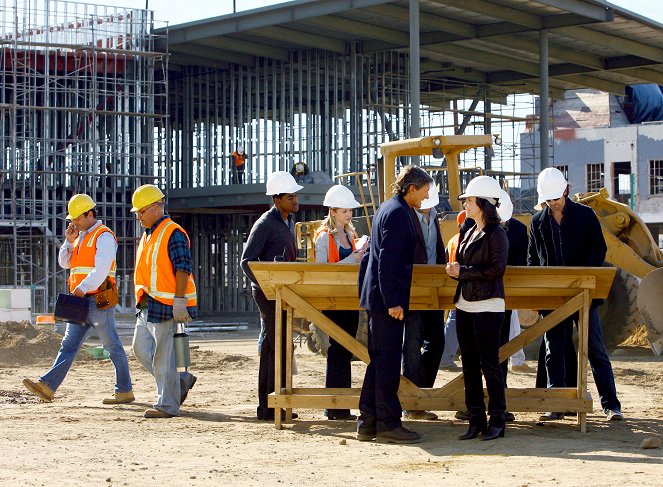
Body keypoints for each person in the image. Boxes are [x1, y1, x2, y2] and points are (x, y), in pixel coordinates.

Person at [527, 167, 623, 421]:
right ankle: (556, 404)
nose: (552, 204)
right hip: (553, 298)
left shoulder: (585, 215)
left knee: (595, 350)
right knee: (553, 351)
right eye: (548, 200)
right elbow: (533, 259)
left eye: (556, 199)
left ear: (566, 191)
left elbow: (599, 250)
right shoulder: (537, 222)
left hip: (584, 296)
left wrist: (582, 279)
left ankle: (611, 405)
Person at [22, 194, 133, 404]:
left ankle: (124, 390)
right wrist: (68, 241)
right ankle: (47, 386)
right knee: (68, 345)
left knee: (112, 346)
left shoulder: (104, 236)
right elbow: (64, 263)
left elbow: (101, 270)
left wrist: (81, 288)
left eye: (77, 218)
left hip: (98, 300)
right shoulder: (81, 236)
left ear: (90, 214)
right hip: (81, 302)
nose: (74, 223)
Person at [357, 165, 433, 444]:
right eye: (424, 191)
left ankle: (367, 421)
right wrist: (393, 302)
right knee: (387, 363)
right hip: (386, 300)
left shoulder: (389, 209)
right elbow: (388, 261)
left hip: (378, 298)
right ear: (411, 188)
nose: (426, 198)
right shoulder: (399, 214)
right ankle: (388, 424)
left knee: (378, 361)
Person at [445, 176, 510, 441]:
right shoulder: (469, 230)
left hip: (487, 306)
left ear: (482, 203)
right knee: (470, 366)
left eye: (469, 200)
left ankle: (497, 420)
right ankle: (475, 421)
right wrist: (456, 271)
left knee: (490, 366)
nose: (465, 203)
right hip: (466, 305)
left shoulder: (497, 234)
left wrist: (463, 271)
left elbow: (497, 270)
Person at [130, 184, 198, 419]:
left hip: (168, 305)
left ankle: (167, 404)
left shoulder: (173, 232)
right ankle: (178, 383)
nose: (138, 216)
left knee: (163, 358)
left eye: (141, 211)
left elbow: (183, 268)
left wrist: (179, 301)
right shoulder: (149, 234)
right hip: (148, 304)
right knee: (140, 350)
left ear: (156, 208)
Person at [241, 171, 303, 421]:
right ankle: (270, 405)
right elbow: (246, 261)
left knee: (273, 347)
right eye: (291, 197)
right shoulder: (266, 224)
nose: (296, 200)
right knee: (275, 346)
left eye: (296, 196)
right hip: (268, 295)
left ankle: (270, 405)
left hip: (281, 293)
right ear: (277, 200)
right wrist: (266, 286)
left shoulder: (286, 222)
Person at [314, 185, 367, 420]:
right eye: (344, 211)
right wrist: (353, 258)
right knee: (337, 351)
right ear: (332, 211)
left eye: (350, 211)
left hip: (350, 298)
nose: (349, 215)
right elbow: (322, 271)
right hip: (333, 300)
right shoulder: (324, 237)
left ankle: (341, 405)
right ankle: (334, 406)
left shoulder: (351, 234)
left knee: (346, 351)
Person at [402, 184, 446, 421]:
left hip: (433, 288)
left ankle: (422, 393)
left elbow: (437, 250)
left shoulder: (434, 218)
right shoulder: (407, 218)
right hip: (412, 289)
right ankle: (412, 403)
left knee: (436, 342)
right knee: (412, 343)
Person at [439, 210, 467, 372]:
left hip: (452, 287)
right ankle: (444, 357)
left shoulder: (452, 241)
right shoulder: (466, 240)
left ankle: (445, 356)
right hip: (464, 288)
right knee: (455, 321)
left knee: (454, 321)